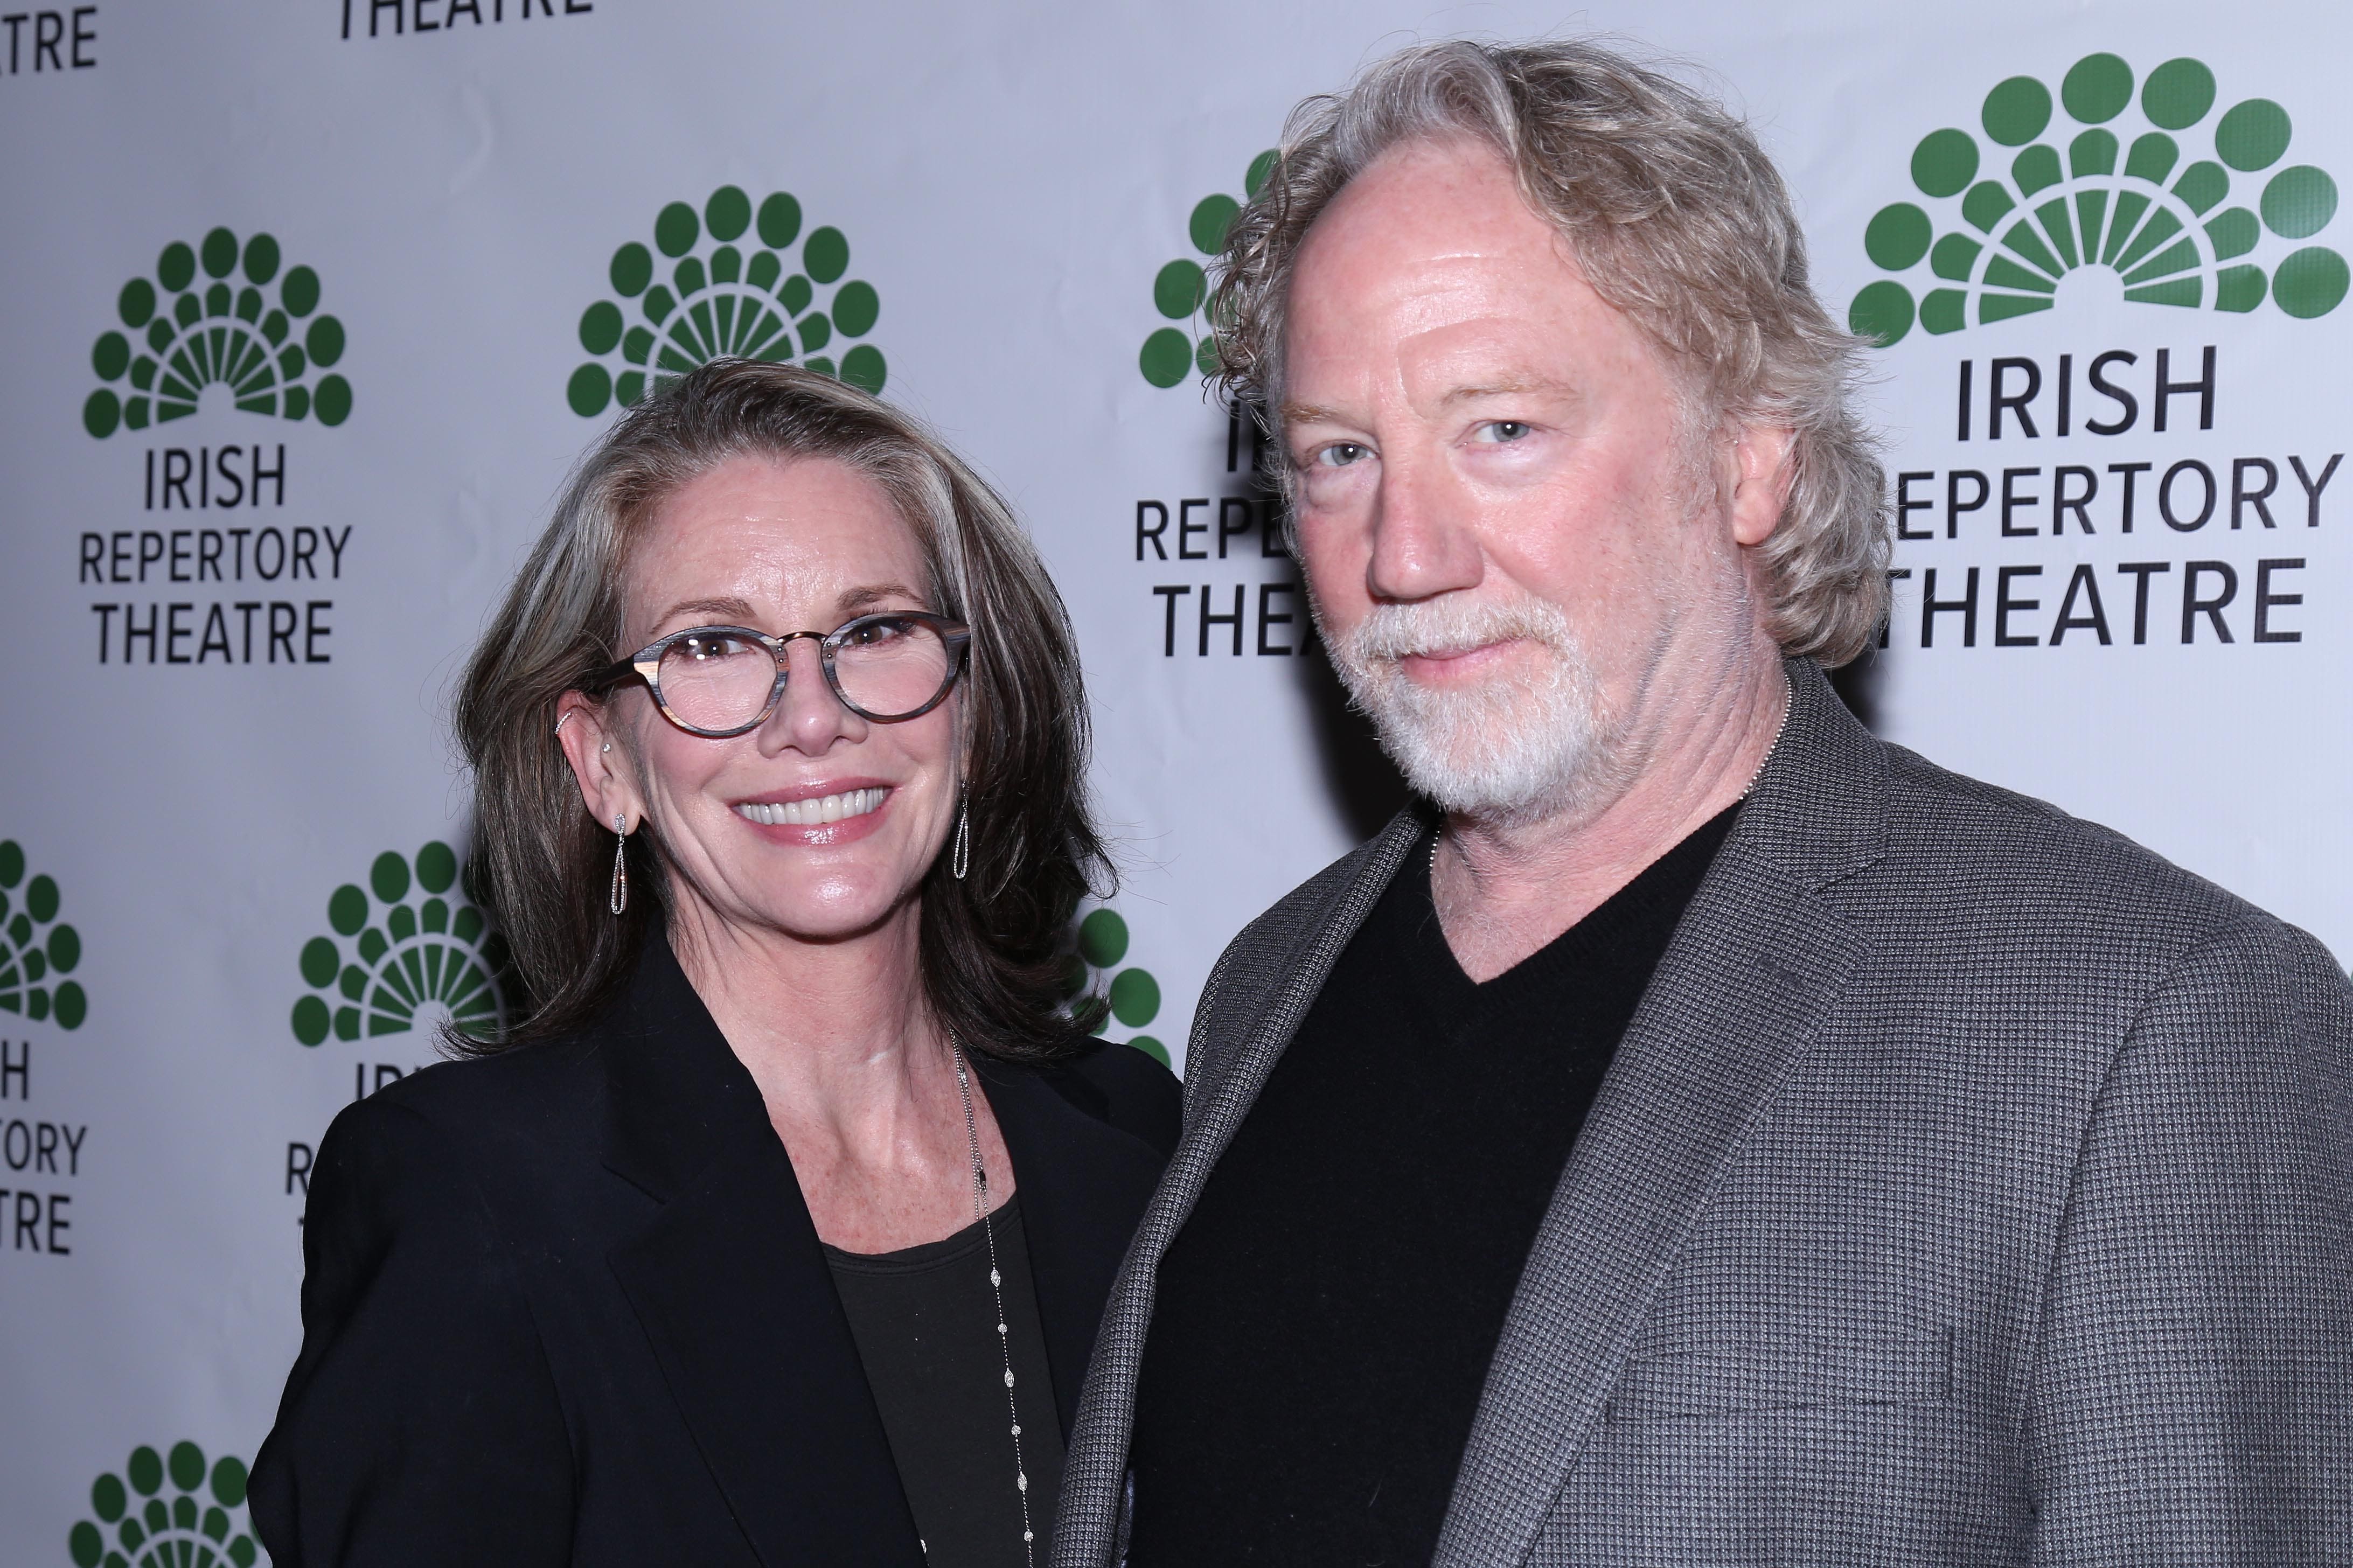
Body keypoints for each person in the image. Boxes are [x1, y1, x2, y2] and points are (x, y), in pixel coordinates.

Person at [1053, 38, 2353, 1568]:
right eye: (1341, 453)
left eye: (1501, 429)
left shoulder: (2145, 1028)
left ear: (1749, 459)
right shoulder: (1269, 983)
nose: (1404, 553)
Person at [250, 359, 1179, 1567]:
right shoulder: (468, 1200)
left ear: (974, 711)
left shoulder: (1140, 1142)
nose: (812, 717)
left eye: (875, 630)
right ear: (604, 764)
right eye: (713, 647)